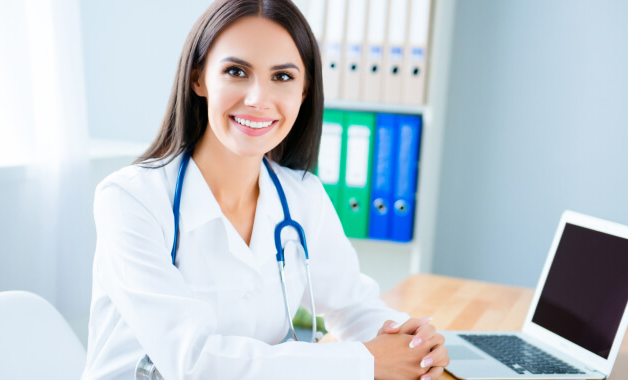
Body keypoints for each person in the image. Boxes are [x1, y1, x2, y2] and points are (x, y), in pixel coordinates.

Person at [82, 0, 449, 379]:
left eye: (283, 77)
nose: (258, 98)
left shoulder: (302, 197)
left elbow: (353, 305)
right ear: (199, 78)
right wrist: (366, 363)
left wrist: (411, 342)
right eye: (236, 71)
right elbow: (192, 361)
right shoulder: (131, 199)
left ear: (304, 91)